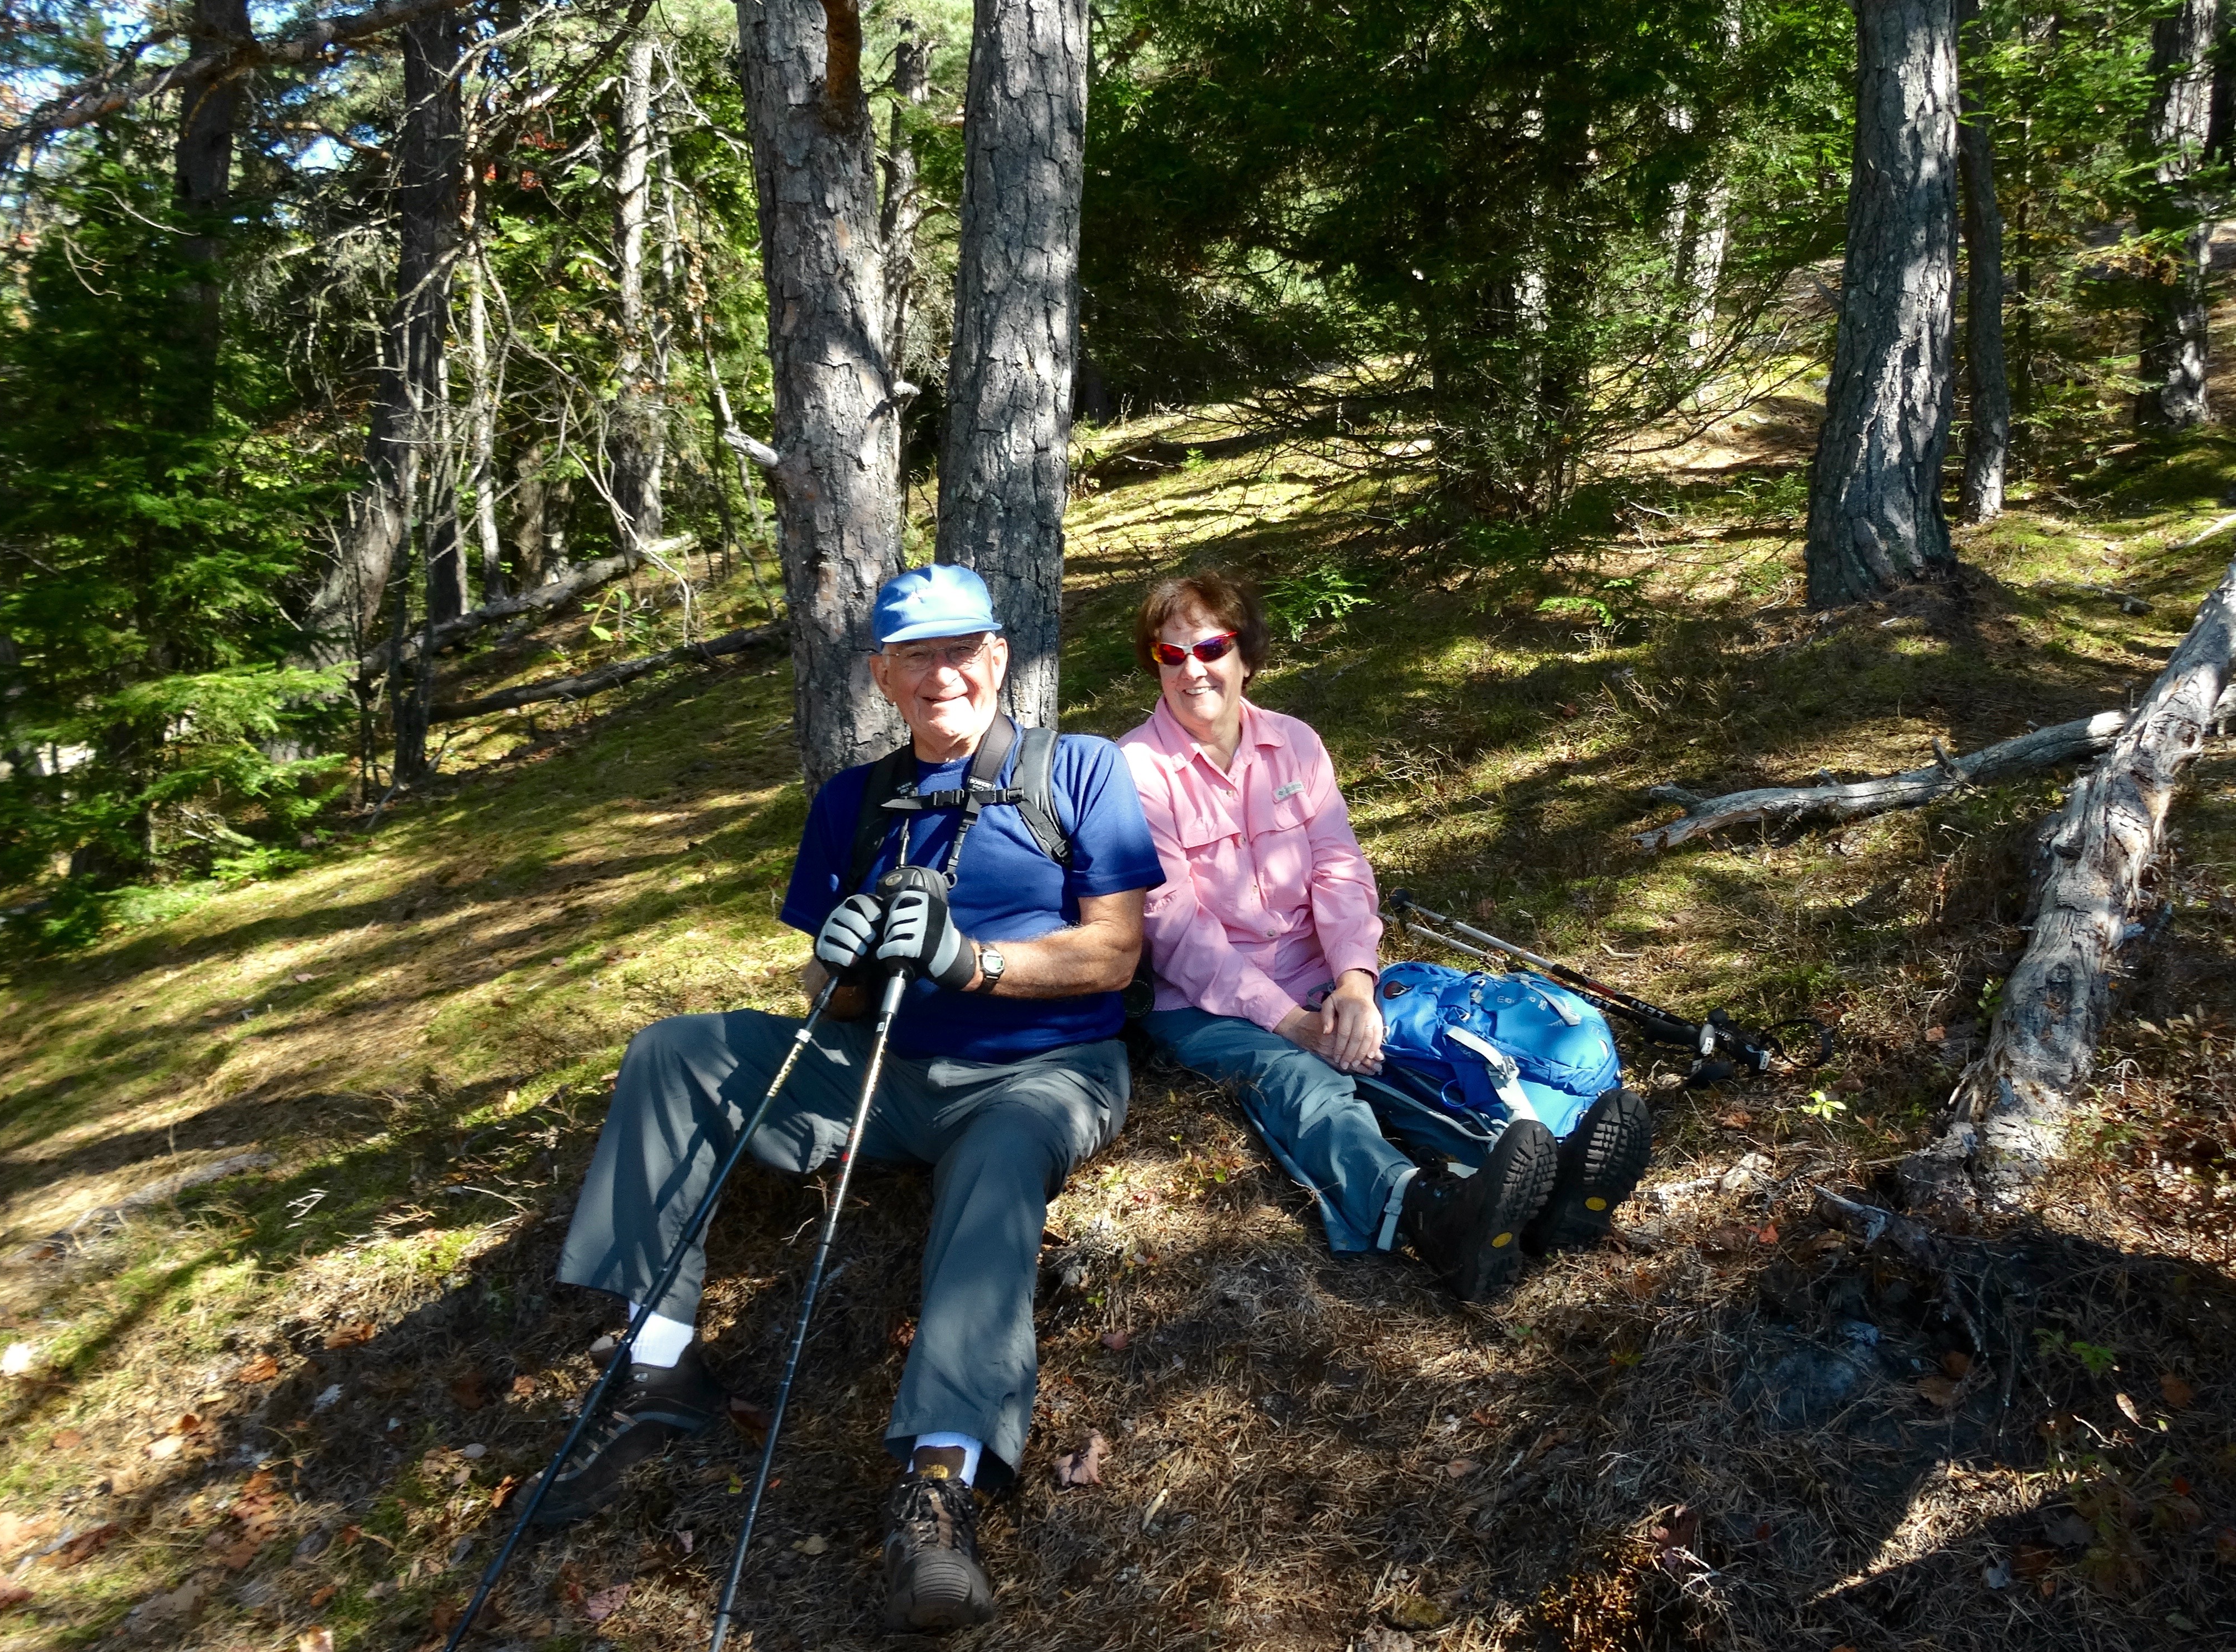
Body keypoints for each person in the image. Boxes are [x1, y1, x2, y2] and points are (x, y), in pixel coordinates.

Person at [544, 563, 1165, 1633]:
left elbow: (1113, 954)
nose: (940, 674)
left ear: (998, 655)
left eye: (958, 648)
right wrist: (834, 972)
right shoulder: (852, 801)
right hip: (883, 1068)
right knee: (673, 1050)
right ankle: (658, 1369)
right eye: (912, 655)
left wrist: (972, 960)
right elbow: (824, 1000)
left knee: (1003, 1156)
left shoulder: (1079, 770)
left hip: (1042, 1068)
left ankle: (938, 1484)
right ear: (880, 673)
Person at [1115, 571, 1651, 1300]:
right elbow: (1173, 925)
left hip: (1318, 972)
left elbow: (1339, 869)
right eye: (1168, 656)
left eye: (1209, 647)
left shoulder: (1295, 746)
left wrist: (1354, 985)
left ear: (1245, 656)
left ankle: (1552, 1186)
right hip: (1202, 1004)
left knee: (1409, 1055)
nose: (1191, 670)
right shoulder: (1134, 771)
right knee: (1300, 1080)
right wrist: (1291, 1022)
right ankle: (1428, 1219)